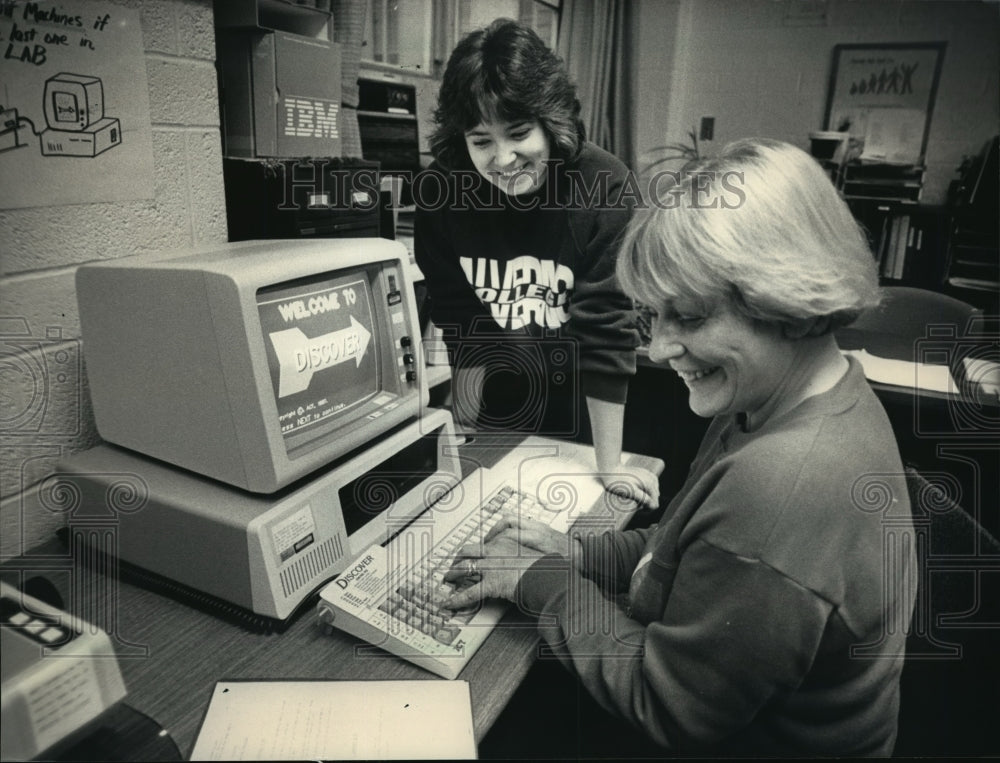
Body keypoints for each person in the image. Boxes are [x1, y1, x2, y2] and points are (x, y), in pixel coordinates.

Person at [446, 139, 918, 756]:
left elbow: (665, 701)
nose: (662, 350)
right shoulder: (792, 397)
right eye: (653, 319)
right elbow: (682, 546)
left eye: (690, 318)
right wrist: (579, 552)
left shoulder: (781, 484)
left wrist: (539, 579)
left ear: (791, 302)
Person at [413, 18, 658, 508]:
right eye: (481, 140)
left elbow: (606, 328)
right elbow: (464, 323)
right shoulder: (442, 194)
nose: (503, 160)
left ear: (552, 121)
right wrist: (463, 425)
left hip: (593, 407)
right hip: (503, 400)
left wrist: (609, 466)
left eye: (519, 133)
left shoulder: (604, 183)